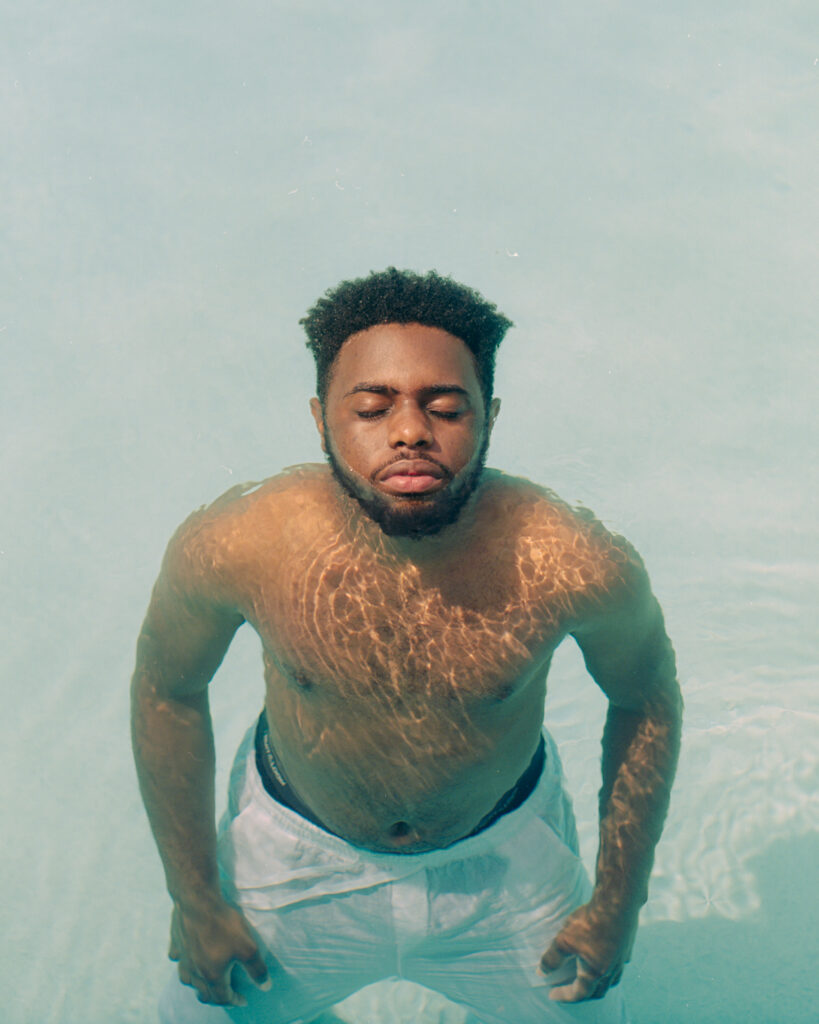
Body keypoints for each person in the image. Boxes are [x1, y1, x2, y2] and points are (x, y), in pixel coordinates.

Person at [131, 268, 682, 1024]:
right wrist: (193, 898)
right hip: (292, 858)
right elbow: (167, 689)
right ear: (321, 420)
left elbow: (645, 698)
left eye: (445, 407)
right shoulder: (240, 545)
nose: (409, 432)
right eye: (371, 406)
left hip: (505, 861)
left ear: (489, 416)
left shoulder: (570, 562)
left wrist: (619, 902)